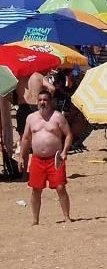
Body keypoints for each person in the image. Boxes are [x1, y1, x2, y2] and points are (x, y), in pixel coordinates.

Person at [19, 92, 73, 224]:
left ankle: (66, 217)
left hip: (55, 159)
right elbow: (26, 138)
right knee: (36, 189)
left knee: (60, 187)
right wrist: (21, 156)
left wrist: (65, 151)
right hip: (37, 159)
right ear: (37, 102)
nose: (43, 102)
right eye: (40, 100)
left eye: (45, 100)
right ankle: (35, 219)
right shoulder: (31, 118)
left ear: (51, 101)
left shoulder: (57, 117)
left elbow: (69, 135)